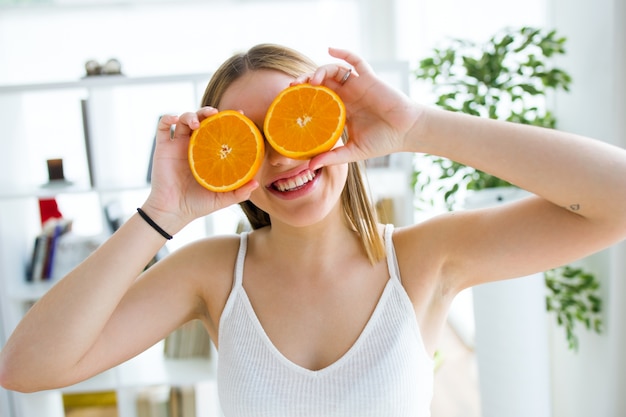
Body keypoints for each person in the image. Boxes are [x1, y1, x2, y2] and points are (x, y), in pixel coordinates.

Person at [2, 43, 626, 417]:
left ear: (335, 123)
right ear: (225, 159)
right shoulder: (213, 273)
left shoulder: (426, 258)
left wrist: (414, 128)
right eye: (249, 138)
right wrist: (161, 213)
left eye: (293, 124)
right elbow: (26, 367)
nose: (282, 158)